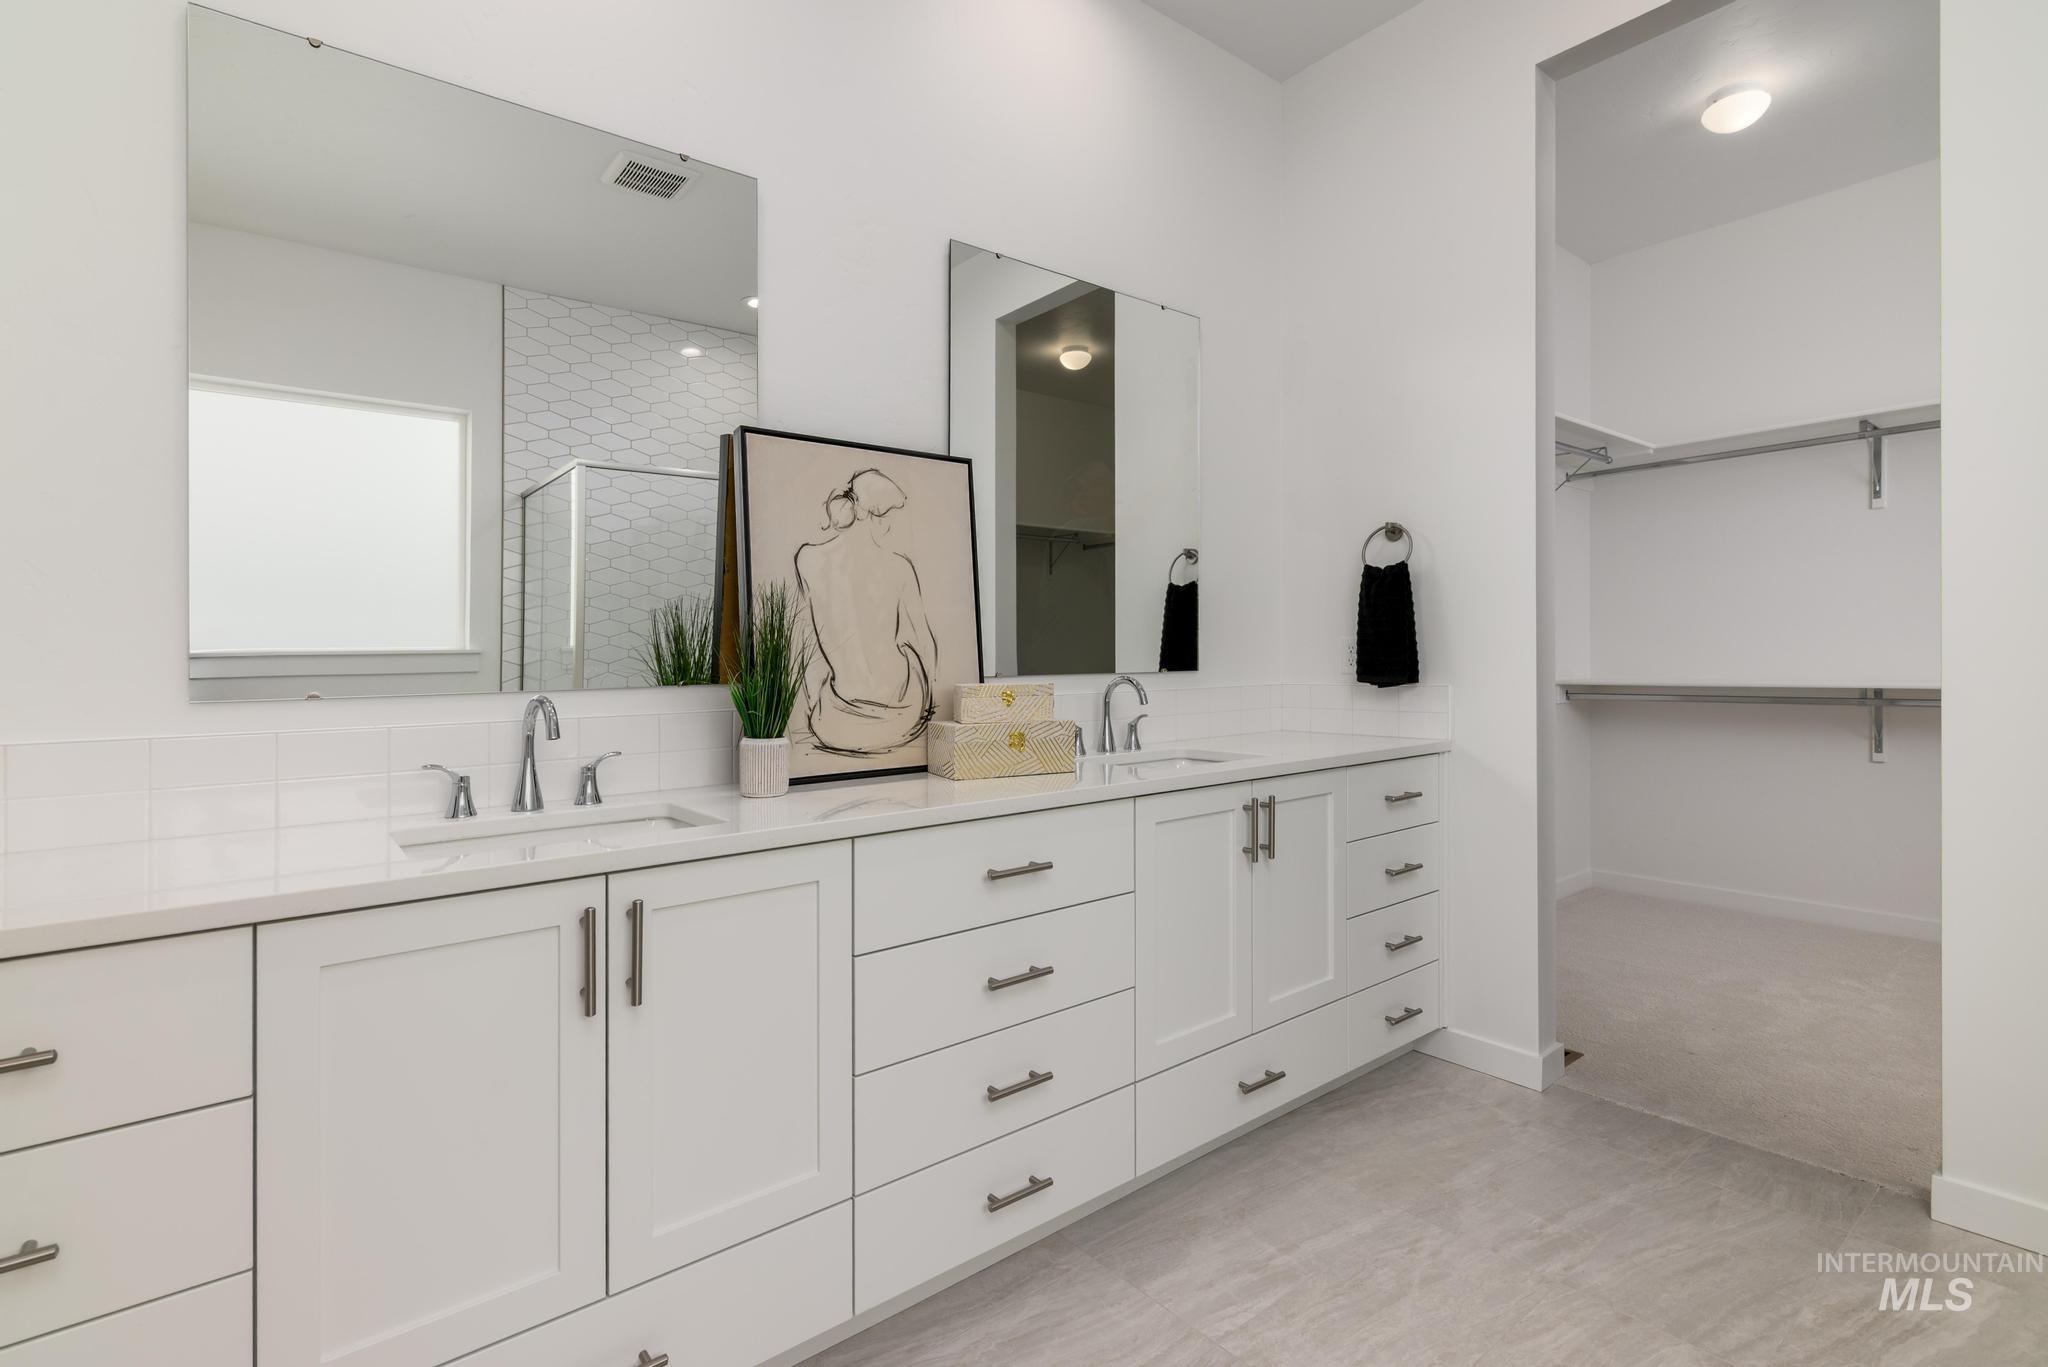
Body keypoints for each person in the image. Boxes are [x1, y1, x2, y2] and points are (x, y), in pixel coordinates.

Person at [793, 469, 940, 756]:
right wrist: (931, 700)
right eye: (888, 515)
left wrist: (815, 706)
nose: (892, 525)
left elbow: (806, 644)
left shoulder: (807, 559)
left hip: (834, 722)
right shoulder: (899, 567)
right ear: (870, 515)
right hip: (900, 717)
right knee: (910, 648)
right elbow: (925, 642)